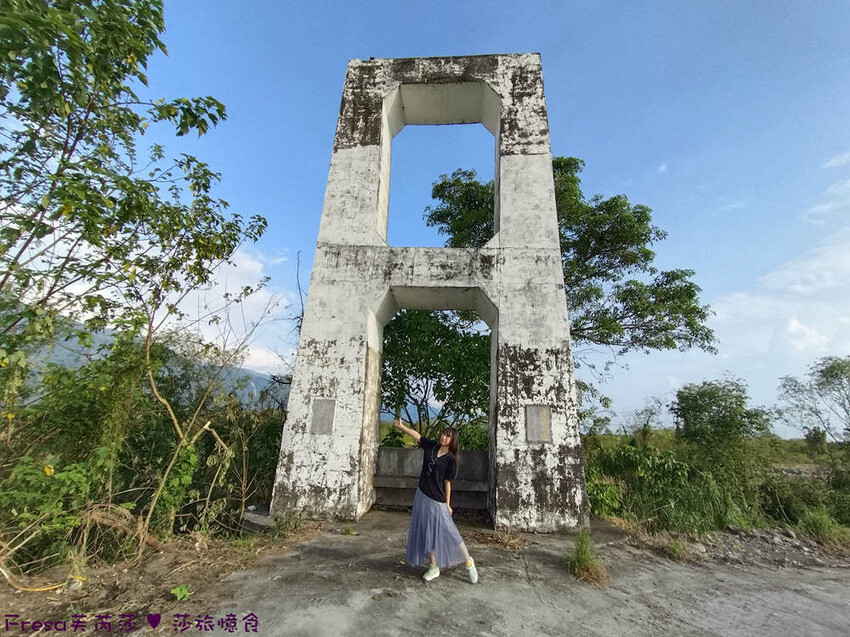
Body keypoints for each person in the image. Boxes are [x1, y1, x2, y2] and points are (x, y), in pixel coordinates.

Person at [392, 417, 479, 584]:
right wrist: (402, 427)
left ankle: (468, 561)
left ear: (453, 440)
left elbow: (447, 483)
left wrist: (447, 504)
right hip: (422, 495)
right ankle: (434, 566)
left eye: (448, 436)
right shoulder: (431, 446)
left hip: (437, 501)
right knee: (426, 532)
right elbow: (417, 436)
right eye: (443, 434)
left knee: (450, 533)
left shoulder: (451, 460)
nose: (444, 437)